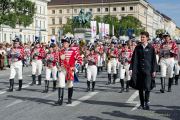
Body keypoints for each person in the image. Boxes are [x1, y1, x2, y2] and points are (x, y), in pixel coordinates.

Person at [130, 32, 157, 110]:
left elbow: (153, 60)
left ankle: (147, 102)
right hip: (139, 70)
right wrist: (131, 68)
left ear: (147, 38)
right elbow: (134, 59)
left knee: (147, 87)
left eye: (143, 37)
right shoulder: (137, 47)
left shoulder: (151, 47)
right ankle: (142, 103)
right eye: (141, 37)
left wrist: (154, 70)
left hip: (148, 70)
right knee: (140, 88)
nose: (142, 38)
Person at [55, 38, 82, 105]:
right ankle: (60, 100)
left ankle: (69, 99)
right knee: (61, 84)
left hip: (70, 70)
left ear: (68, 44)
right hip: (62, 69)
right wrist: (58, 67)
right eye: (63, 43)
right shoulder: (60, 51)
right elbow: (56, 60)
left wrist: (75, 68)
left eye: (66, 43)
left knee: (70, 84)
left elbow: (80, 60)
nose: (64, 44)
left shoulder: (74, 51)